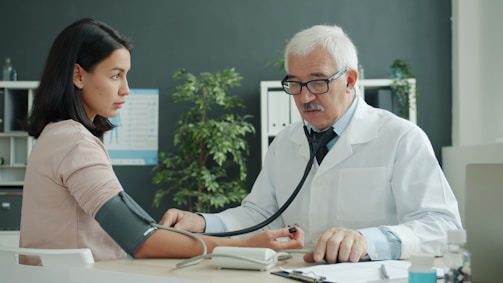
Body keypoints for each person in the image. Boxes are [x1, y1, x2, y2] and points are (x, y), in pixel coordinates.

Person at [161, 24, 462, 264]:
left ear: (350, 80)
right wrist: (202, 222)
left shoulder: (401, 138)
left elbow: (441, 226)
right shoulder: (285, 142)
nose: (304, 97)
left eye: (318, 82)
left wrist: (368, 240)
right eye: (294, 84)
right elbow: (258, 215)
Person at [18, 18, 304, 265]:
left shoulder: (55, 135)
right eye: (115, 75)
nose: (126, 89)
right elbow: (139, 240)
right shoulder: (75, 142)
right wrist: (246, 247)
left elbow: (136, 226)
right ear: (78, 75)